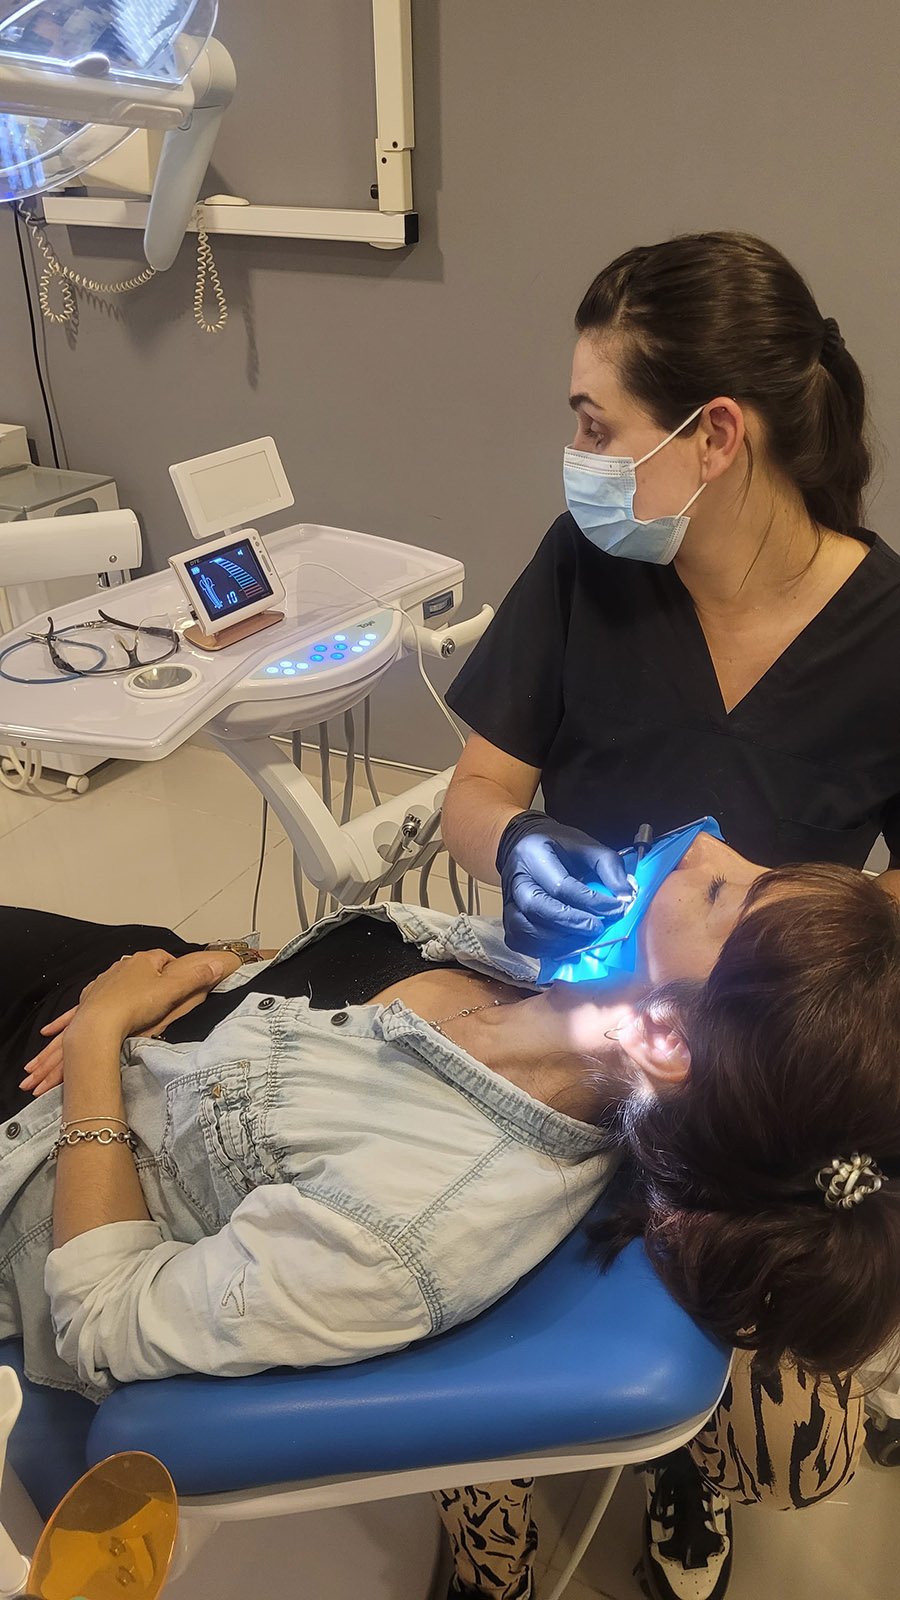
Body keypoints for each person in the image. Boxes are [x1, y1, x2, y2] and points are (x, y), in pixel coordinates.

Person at [2, 833, 900, 1596]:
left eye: (720, 892)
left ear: (665, 1041)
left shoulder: (408, 1224)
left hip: (39, 1125)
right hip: (146, 982)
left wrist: (98, 1037)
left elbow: (103, 1312)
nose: (703, 844)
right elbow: (312, 977)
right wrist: (212, 963)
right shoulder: (537, 978)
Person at [441, 230, 900, 1599]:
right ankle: (481, 1506)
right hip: (562, 1022)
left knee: (793, 1448)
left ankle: (687, 1465)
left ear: (715, 435)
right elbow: (475, 793)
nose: (576, 454)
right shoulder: (588, 571)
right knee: (446, 1276)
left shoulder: (884, 628)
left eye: (597, 424)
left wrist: (788, 926)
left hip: (742, 1079)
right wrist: (517, 843)